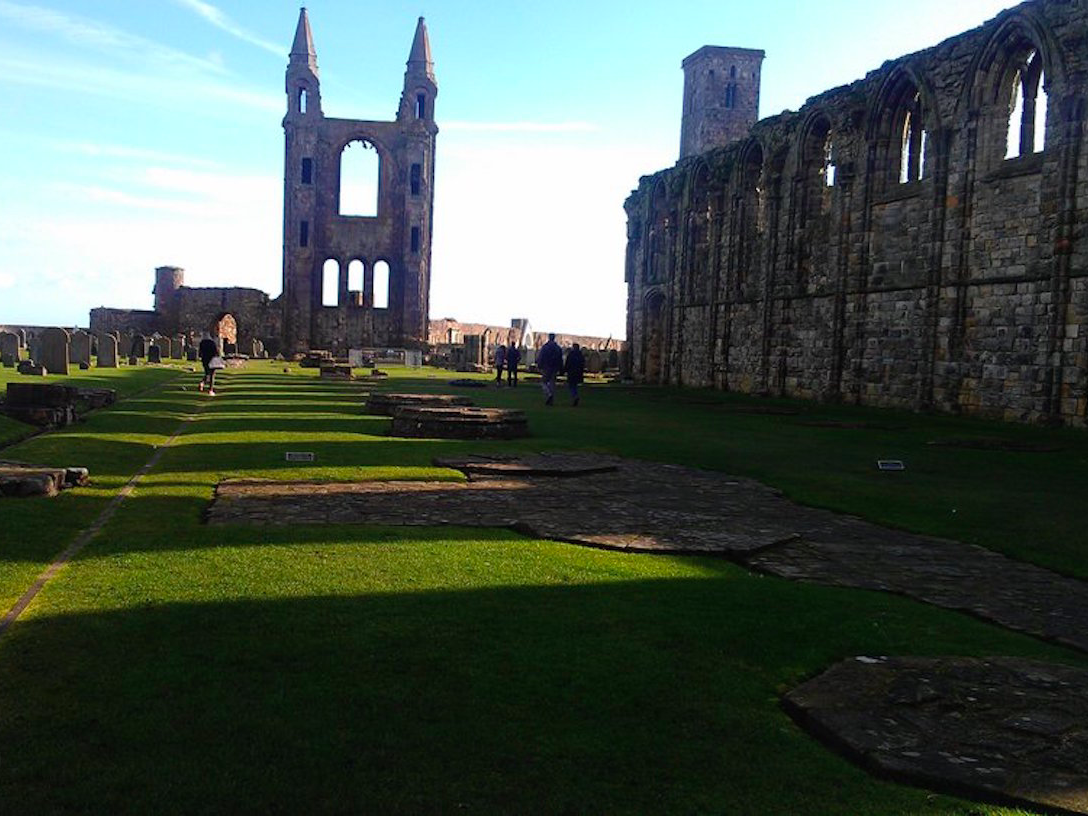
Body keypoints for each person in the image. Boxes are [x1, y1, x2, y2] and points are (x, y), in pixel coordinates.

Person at [537, 333, 563, 406]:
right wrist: (561, 368)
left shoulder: (545, 347)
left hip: (546, 366)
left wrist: (539, 365)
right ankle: (551, 398)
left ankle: (549, 394)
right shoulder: (558, 348)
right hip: (554, 367)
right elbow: (560, 359)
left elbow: (541, 356)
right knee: (552, 383)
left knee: (544, 382)